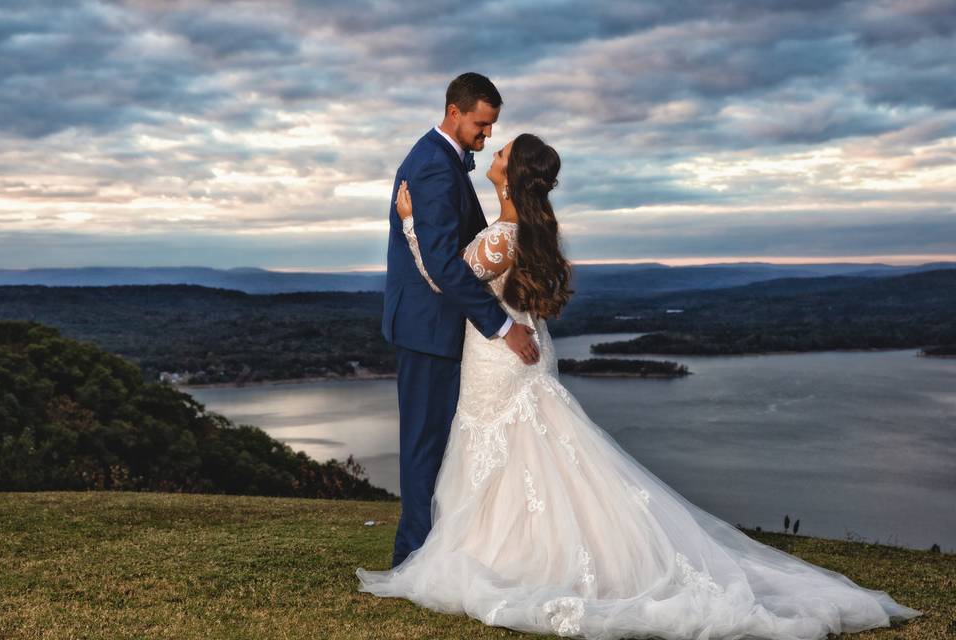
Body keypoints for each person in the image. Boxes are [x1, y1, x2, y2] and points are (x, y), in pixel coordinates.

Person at [357, 132, 923, 639]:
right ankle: (518, 546)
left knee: (506, 454)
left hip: (498, 359)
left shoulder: (503, 235)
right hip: (519, 356)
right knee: (532, 457)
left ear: (511, 174)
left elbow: (442, 275)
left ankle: (505, 556)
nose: (493, 149)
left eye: (501, 151)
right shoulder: (528, 229)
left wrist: (409, 223)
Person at [380, 72, 541, 569]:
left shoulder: (445, 162)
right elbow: (445, 265)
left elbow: (462, 255)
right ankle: (413, 556)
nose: (487, 136)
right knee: (424, 446)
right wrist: (502, 326)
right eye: (482, 124)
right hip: (428, 329)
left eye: (492, 128)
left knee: (441, 445)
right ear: (455, 111)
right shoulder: (432, 166)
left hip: (441, 327)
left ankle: (444, 547)